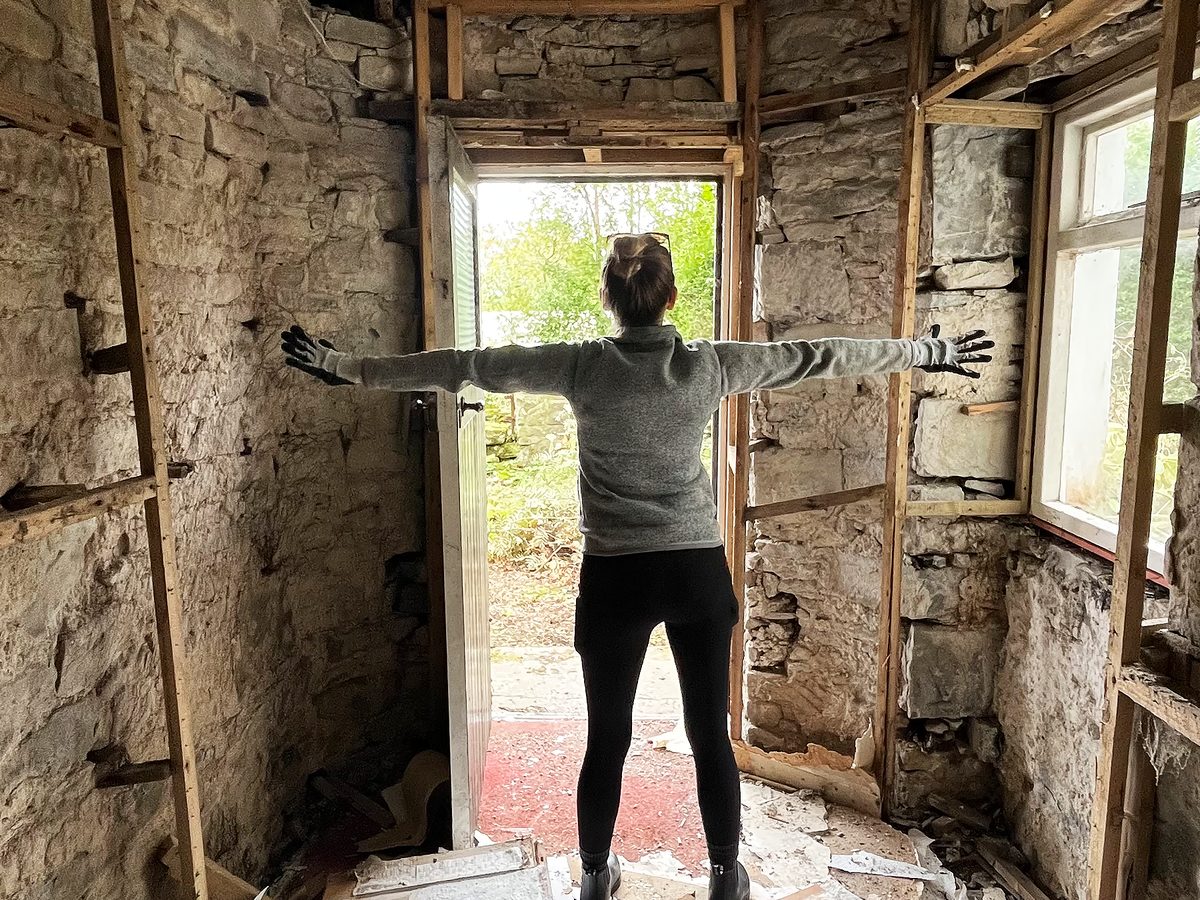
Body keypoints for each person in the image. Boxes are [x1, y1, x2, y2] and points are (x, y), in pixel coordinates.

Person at [281, 232, 992, 900]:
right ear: (673, 298)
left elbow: (464, 364)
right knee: (709, 734)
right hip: (695, 575)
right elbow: (816, 355)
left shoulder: (582, 364)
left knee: (608, 738)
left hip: (616, 579)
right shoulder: (710, 363)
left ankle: (595, 877)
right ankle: (723, 877)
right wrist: (922, 354)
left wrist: (348, 368)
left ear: (607, 300)